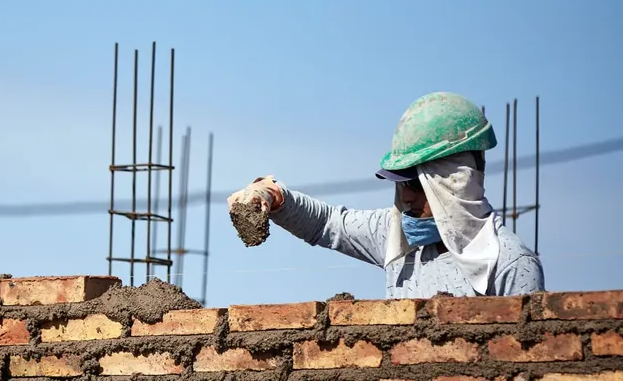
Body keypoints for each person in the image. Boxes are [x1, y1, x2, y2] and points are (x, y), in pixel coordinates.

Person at [227, 91, 544, 298]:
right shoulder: (397, 237)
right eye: (401, 185)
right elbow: (327, 224)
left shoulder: (509, 264)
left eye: (415, 184)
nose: (405, 198)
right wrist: (274, 195)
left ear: (456, 182)